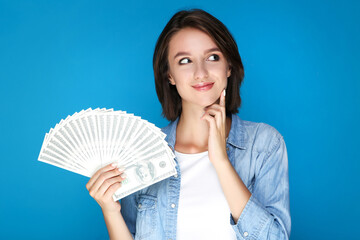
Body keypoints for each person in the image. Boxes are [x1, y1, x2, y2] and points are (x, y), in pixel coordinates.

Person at [85, 9, 291, 240]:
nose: (200, 72)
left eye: (213, 57)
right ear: (169, 75)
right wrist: (110, 211)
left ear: (229, 66)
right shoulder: (143, 151)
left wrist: (221, 161)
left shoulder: (264, 144)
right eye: (185, 61)